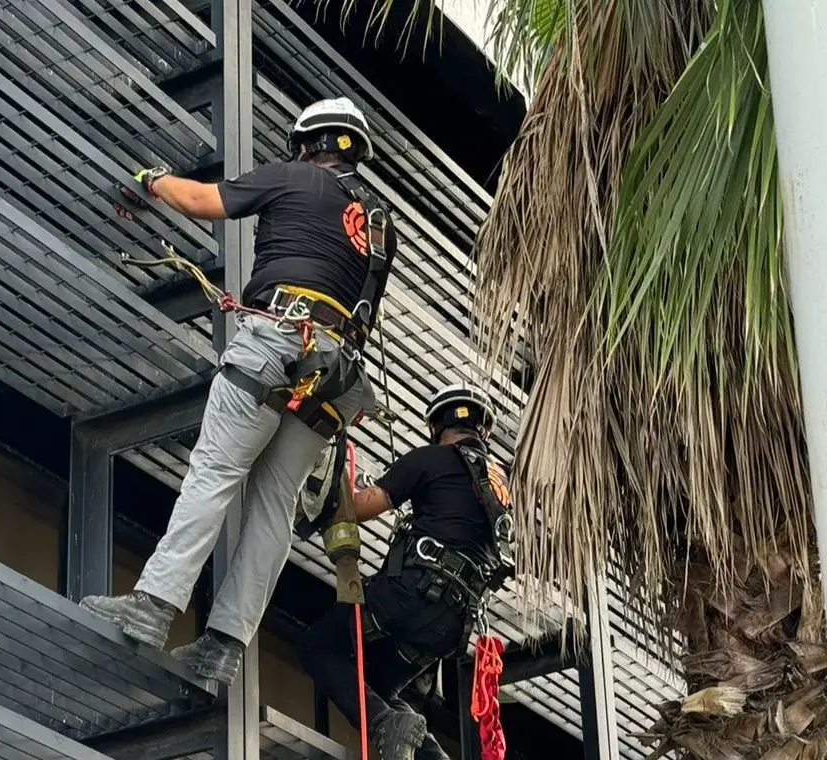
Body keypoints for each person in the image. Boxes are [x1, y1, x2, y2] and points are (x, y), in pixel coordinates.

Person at [79, 97, 399, 686]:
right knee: (274, 506)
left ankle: (154, 605)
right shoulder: (379, 225)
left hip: (276, 339)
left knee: (215, 472)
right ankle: (223, 648)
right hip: (333, 377)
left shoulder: (293, 175)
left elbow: (204, 202)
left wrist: (150, 180)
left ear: (310, 145)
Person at [298, 383, 517, 760]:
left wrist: (318, 482)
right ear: (483, 431)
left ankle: (384, 724)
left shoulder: (431, 459)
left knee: (318, 646)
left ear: (436, 427)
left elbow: (359, 507)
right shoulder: (502, 489)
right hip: (450, 628)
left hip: (409, 596)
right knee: (377, 688)